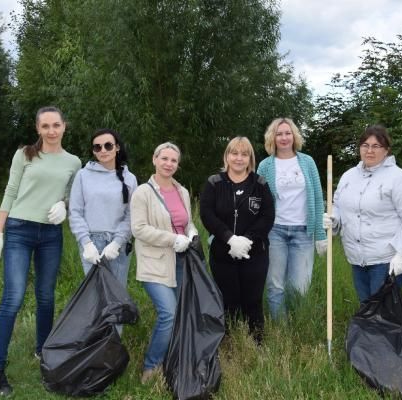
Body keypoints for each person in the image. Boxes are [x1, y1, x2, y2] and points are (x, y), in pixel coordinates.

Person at [0, 106, 81, 396]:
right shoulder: (25, 154)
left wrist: (64, 205)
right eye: (45, 126)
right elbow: (11, 191)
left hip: (50, 234)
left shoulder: (74, 162)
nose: (51, 131)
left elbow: (72, 195)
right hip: (19, 229)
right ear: (38, 129)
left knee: (45, 296)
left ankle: (43, 352)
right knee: (13, 299)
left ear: (64, 126)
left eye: (56, 125)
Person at [323, 125, 402, 303]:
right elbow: (337, 205)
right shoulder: (349, 176)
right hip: (357, 258)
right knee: (367, 310)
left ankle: (395, 332)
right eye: (365, 145)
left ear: (386, 150)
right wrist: (333, 218)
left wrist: (401, 254)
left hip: (386, 259)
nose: (370, 150)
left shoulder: (398, 178)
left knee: (383, 314)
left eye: (376, 146)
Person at [130, 142, 198, 383]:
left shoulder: (182, 192)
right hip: (154, 264)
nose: (169, 164)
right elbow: (138, 229)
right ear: (154, 160)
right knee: (168, 313)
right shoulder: (142, 192)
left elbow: (186, 222)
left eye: (173, 160)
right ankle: (151, 366)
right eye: (164, 159)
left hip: (182, 262)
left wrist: (191, 232)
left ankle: (175, 358)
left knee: (180, 313)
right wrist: (173, 239)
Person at [200, 136, 275, 343]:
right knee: (228, 301)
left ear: (250, 158)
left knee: (252, 301)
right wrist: (230, 238)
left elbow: (267, 216)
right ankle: (229, 343)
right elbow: (207, 214)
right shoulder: (214, 183)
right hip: (222, 253)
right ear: (227, 156)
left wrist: (247, 240)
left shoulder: (260, 184)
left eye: (244, 154)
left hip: (255, 252)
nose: (239, 158)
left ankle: (257, 343)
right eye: (234, 153)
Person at [257, 118, 327, 319]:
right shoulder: (265, 165)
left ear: (294, 136)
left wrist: (320, 234)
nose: (284, 137)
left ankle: (297, 327)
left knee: (299, 286)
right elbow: (258, 200)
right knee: (275, 284)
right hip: (275, 231)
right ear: (273, 138)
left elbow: (316, 196)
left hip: (304, 232)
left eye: (287, 133)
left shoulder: (307, 162)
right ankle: (281, 330)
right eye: (279, 134)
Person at [69, 128, 137, 285]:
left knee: (117, 294)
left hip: (118, 244)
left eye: (108, 145)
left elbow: (131, 214)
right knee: (95, 292)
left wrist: (117, 242)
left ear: (117, 147)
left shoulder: (130, 178)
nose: (103, 150)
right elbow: (75, 212)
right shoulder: (83, 175)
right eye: (97, 147)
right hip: (91, 242)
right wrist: (86, 243)